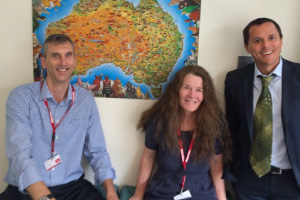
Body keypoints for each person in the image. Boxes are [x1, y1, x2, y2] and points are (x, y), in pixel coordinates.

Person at [0, 34, 119, 200]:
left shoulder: (85, 100)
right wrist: (45, 197)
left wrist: (111, 192)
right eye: (55, 56)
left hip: (73, 188)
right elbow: (19, 155)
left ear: (75, 60)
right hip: (29, 189)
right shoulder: (21, 97)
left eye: (68, 55)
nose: (63, 62)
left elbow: (97, 151)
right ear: (43, 62)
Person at [224, 17, 300, 199]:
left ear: (281, 40)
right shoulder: (234, 80)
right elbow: (232, 128)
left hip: (293, 181)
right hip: (249, 180)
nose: (266, 45)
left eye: (272, 37)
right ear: (247, 47)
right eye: (257, 40)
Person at [129, 65, 232, 200]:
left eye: (199, 90)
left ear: (205, 94)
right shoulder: (159, 120)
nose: (192, 95)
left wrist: (222, 198)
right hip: (162, 192)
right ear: (177, 89)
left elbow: (216, 162)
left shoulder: (215, 123)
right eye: (187, 87)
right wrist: (138, 194)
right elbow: (148, 157)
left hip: (201, 193)